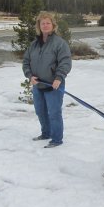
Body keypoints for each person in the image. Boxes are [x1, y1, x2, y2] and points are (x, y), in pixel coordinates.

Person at [22, 12, 72, 148]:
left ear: (53, 25)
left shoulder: (60, 43)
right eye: (42, 23)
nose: (45, 25)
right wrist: (29, 75)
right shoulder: (34, 44)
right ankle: (46, 133)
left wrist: (59, 77)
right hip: (38, 85)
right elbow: (26, 62)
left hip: (53, 85)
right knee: (40, 111)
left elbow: (65, 62)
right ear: (39, 25)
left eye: (47, 23)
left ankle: (56, 139)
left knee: (54, 113)